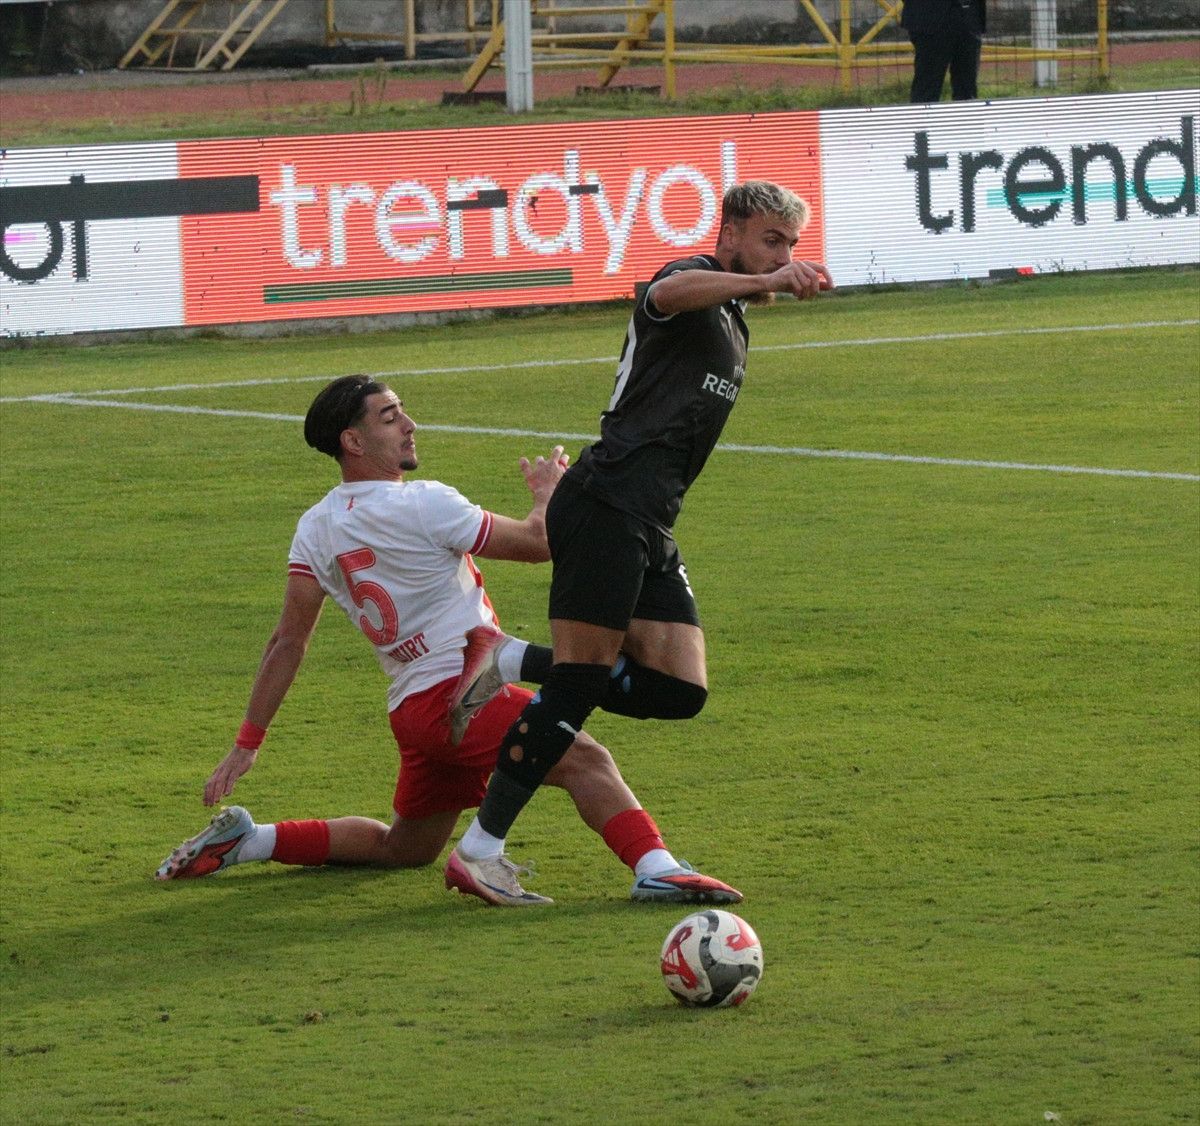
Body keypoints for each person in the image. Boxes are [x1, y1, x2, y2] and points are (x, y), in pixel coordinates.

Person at [155, 374, 741, 908]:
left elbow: (288, 642)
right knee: (583, 757)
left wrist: (247, 743)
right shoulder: (424, 502)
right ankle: (655, 868)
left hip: (412, 707)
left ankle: (250, 840)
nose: (410, 425)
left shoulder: (315, 528)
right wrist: (548, 492)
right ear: (352, 442)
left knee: (403, 848)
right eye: (390, 417)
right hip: (461, 691)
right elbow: (539, 543)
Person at [445, 181, 832, 896]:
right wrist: (770, 277)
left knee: (680, 689)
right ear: (733, 232)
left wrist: (763, 282)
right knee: (581, 683)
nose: (784, 256)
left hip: (648, 518)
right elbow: (665, 295)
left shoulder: (733, 318)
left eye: (792, 247)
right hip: (609, 504)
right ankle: (479, 850)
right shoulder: (687, 282)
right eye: (772, 240)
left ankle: (510, 657)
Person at [900, 0, 986, 103]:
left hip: (969, 16)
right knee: (927, 91)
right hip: (929, 20)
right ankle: (924, 117)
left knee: (967, 91)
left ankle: (967, 117)